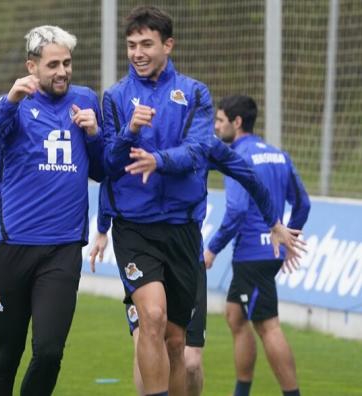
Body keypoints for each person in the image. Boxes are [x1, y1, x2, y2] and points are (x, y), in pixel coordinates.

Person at [92, 134, 307, 396]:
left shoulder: (201, 139)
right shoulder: (134, 132)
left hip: (192, 255)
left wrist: (274, 227)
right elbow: (109, 171)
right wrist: (103, 227)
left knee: (192, 359)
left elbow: (242, 189)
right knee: (153, 333)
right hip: (141, 249)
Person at [0, 25, 104, 395]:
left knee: (48, 351)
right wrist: (8, 103)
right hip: (14, 248)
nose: (62, 71)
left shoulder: (86, 99)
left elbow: (103, 170)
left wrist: (95, 135)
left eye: (67, 63)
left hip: (62, 250)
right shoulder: (13, 103)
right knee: (5, 356)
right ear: (32, 66)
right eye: (53, 64)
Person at [101, 5, 216, 395]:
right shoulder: (115, 97)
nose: (138, 52)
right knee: (151, 316)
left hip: (183, 230)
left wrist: (160, 161)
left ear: (168, 45)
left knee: (175, 340)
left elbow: (199, 151)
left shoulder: (196, 93)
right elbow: (108, 165)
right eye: (131, 45)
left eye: (146, 44)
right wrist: (129, 132)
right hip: (134, 228)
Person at [205, 95, 310, 396]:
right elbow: (302, 203)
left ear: (236, 123)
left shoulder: (237, 155)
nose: (216, 127)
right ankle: (241, 392)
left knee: (268, 326)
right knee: (235, 314)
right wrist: (290, 236)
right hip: (269, 250)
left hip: (252, 253)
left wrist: (212, 249)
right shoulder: (278, 154)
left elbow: (237, 210)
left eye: (220, 121)